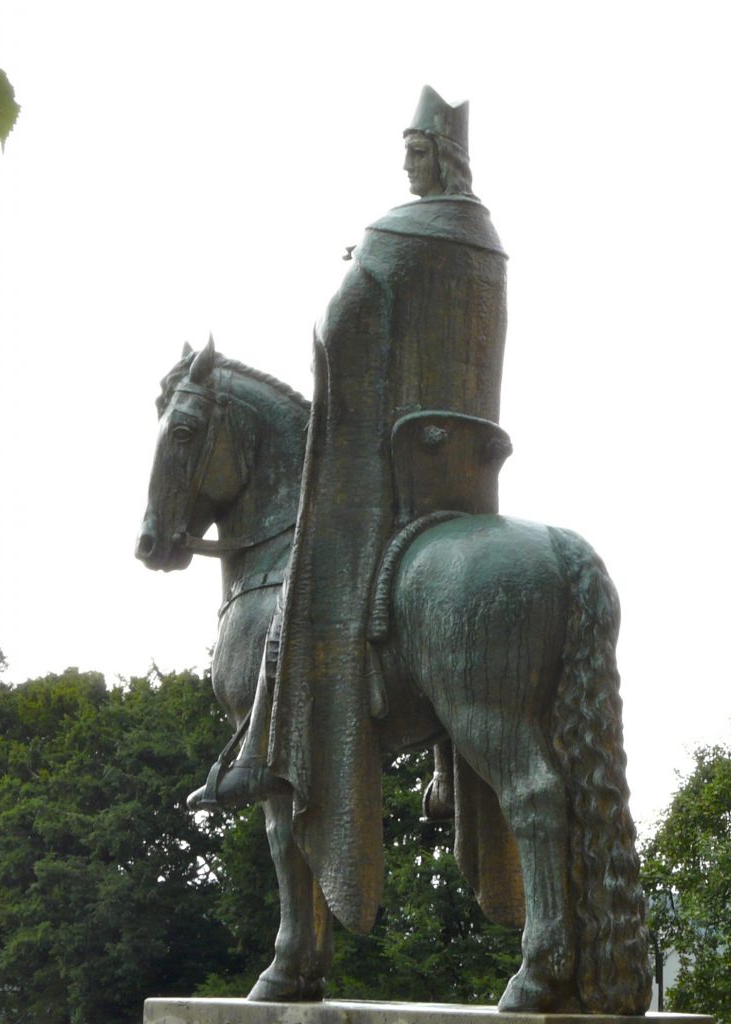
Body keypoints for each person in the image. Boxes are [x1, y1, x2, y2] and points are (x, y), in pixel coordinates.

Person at [190, 86, 509, 936]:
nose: (409, 162)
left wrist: (347, 293)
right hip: (460, 466)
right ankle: (445, 758)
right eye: (407, 149)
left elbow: (347, 324)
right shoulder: (482, 242)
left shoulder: (403, 235)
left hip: (394, 460)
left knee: (302, 614)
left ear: (445, 157)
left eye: (418, 150)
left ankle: (267, 745)